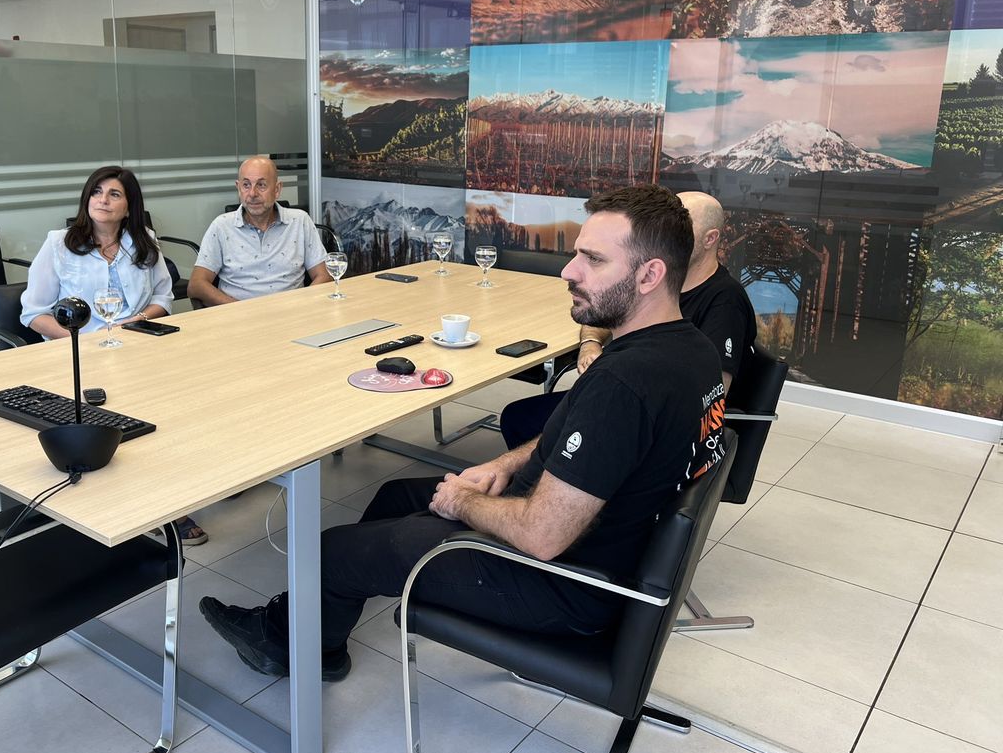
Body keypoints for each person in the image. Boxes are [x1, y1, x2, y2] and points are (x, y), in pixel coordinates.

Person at [199, 185, 726, 682]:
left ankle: (287, 644)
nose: (570, 271)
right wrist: (503, 464)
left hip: (563, 586)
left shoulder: (624, 382)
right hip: (599, 544)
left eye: (594, 260)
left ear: (650, 273)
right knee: (393, 497)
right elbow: (583, 439)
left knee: (335, 550)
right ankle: (317, 637)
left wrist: (464, 504)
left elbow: (542, 537)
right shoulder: (688, 350)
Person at [20, 165, 208, 546]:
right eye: (97, 192)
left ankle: (170, 505)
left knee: (166, 421)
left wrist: (136, 322)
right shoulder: (59, 244)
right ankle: (122, 507)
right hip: (77, 354)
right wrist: (79, 341)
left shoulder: (145, 241)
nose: (103, 200)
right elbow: (33, 312)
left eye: (114, 194)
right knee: (114, 425)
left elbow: (163, 298)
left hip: (138, 348)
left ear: (129, 206)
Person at [499, 190, 756, 449]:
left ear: (710, 239)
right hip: (621, 393)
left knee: (520, 420)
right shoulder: (664, 285)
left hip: (644, 409)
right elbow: (605, 309)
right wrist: (590, 342)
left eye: (595, 259)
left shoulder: (725, 300)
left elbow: (710, 389)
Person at [187, 157, 331, 306]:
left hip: (292, 316)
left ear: (277, 190)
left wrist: (302, 305)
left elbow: (324, 275)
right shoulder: (221, 226)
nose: (252, 193)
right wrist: (242, 310)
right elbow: (196, 285)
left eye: (261, 185)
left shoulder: (300, 221)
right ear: (238, 188)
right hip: (239, 319)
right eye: (246, 185)